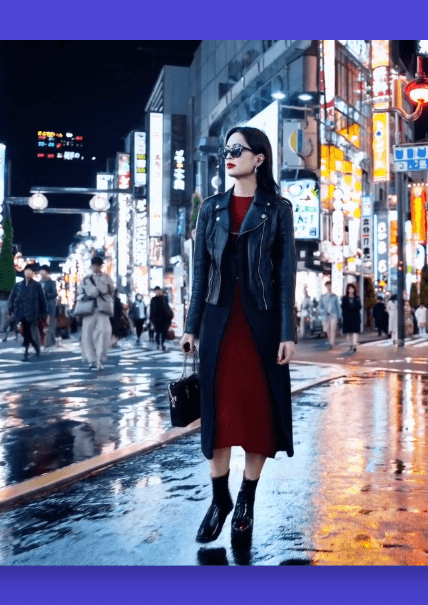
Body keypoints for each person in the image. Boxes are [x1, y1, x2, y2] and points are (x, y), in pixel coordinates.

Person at [180, 126, 297, 544]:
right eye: (224, 150)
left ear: (259, 158)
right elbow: (200, 274)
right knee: (218, 415)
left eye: (236, 150)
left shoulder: (278, 208)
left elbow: (285, 276)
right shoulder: (210, 208)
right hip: (217, 321)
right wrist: (191, 325)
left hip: (261, 323)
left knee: (256, 414)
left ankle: (246, 498)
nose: (227, 156)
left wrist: (288, 331)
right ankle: (219, 500)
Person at [78, 255, 115, 370]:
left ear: (101, 266)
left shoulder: (107, 278)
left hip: (102, 308)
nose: (96, 268)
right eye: (94, 265)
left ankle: (101, 358)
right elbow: (79, 294)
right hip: (89, 309)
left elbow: (112, 291)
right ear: (91, 266)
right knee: (87, 335)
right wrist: (88, 295)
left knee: (105, 332)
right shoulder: (85, 279)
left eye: (98, 265)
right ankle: (91, 359)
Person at [9, 265, 47, 361]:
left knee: (29, 332)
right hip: (21, 313)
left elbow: (42, 300)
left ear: (33, 273)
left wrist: (44, 313)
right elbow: (12, 298)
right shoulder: (18, 285)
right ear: (24, 271)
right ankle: (35, 348)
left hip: (33, 313)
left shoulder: (37, 285)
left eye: (30, 270)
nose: (28, 272)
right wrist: (11, 310)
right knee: (26, 333)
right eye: (26, 270)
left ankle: (27, 351)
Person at [39, 266, 59, 351]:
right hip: (41, 306)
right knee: (43, 323)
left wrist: (45, 294)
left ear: (47, 272)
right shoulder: (39, 282)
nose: (41, 273)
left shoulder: (51, 282)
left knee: (50, 323)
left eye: (43, 272)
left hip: (50, 305)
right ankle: (46, 341)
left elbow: (54, 294)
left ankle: (49, 342)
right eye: (40, 272)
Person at [149, 287, 174, 351]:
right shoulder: (153, 299)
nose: (158, 292)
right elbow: (151, 310)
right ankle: (158, 344)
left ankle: (162, 344)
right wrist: (151, 319)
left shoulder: (164, 298)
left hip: (164, 318)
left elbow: (167, 307)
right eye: (156, 291)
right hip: (156, 319)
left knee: (163, 332)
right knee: (157, 332)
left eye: (159, 291)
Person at [319, 281, 341, 349]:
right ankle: (330, 341)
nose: (329, 287)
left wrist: (339, 316)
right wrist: (322, 312)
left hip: (333, 315)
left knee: (333, 329)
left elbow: (338, 306)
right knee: (326, 330)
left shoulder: (334, 296)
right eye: (327, 285)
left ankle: (332, 343)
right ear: (325, 287)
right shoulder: (322, 296)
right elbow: (320, 306)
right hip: (325, 316)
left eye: (330, 285)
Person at [341, 282, 362, 353]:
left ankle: (354, 345)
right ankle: (350, 345)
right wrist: (343, 316)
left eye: (352, 288)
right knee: (348, 332)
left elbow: (360, 307)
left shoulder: (357, 298)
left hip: (355, 317)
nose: (351, 290)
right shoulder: (344, 298)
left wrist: (358, 302)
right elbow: (343, 307)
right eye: (349, 288)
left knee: (355, 331)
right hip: (347, 317)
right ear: (347, 290)